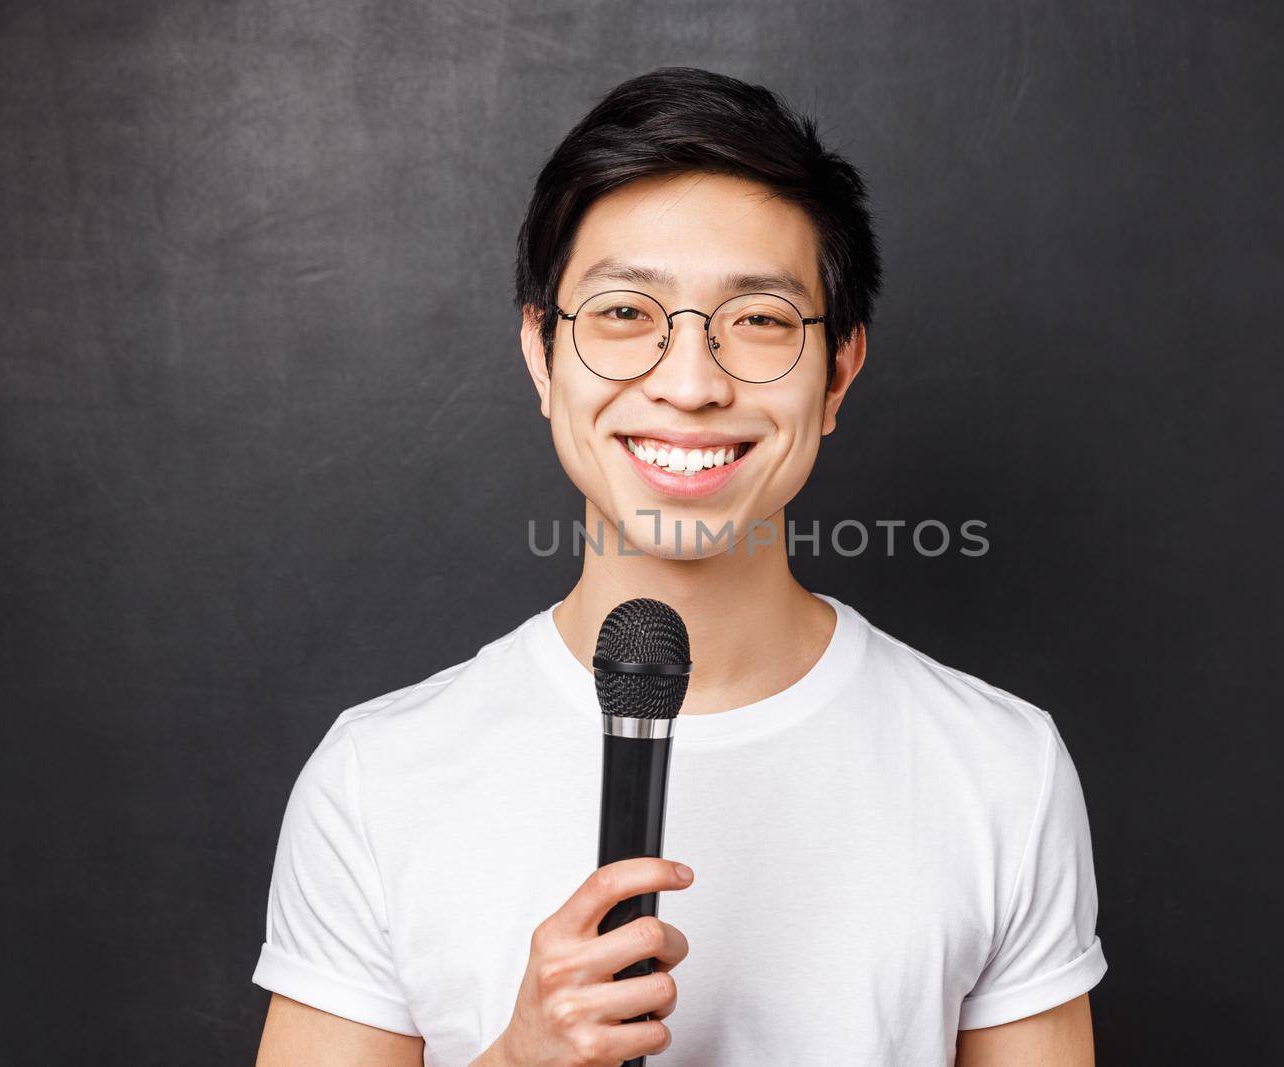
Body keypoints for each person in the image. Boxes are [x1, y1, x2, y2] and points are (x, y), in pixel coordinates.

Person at [252, 66, 1106, 1066]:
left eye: (758, 320)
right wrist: (521, 1058)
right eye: (623, 314)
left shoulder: (998, 768)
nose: (690, 382)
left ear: (837, 373)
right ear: (541, 354)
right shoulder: (379, 776)